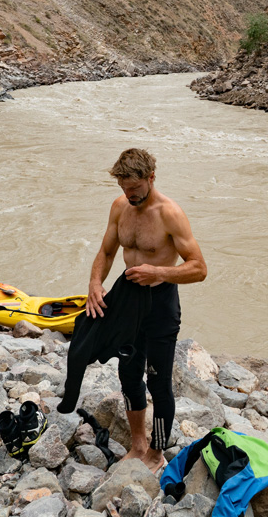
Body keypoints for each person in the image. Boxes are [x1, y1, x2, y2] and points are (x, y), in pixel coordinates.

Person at [60, 148, 206, 474]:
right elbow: (106, 251)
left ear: (151, 178)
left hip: (160, 303)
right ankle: (138, 445)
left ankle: (156, 452)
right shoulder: (120, 207)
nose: (130, 195)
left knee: (159, 382)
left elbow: (199, 268)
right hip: (128, 300)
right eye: (124, 188)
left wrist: (159, 272)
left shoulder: (170, 214)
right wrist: (95, 283)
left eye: (136, 189)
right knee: (128, 373)